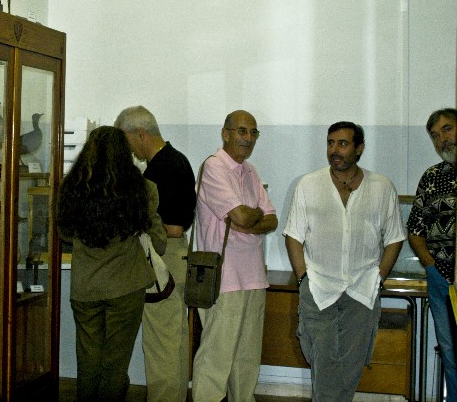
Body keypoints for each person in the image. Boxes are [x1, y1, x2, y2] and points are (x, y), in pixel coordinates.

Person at [284, 121, 406, 401]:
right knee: (321, 360)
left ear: (359, 148)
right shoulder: (309, 184)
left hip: (362, 291)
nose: (334, 150)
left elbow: (395, 237)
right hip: (318, 289)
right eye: (330, 143)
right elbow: (293, 235)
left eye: (342, 143)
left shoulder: (382, 186)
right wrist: (303, 278)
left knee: (350, 367)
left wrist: (379, 277)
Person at [56, 125, 167, 402]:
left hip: (85, 287)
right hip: (126, 287)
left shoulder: (70, 188)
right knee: (116, 361)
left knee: (88, 358)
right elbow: (159, 243)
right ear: (125, 153)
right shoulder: (143, 189)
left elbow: (64, 234)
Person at [191, 110, 277, 401]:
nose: (248, 138)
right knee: (216, 358)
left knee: (247, 360)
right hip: (223, 278)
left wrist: (249, 219)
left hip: (253, 277)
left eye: (253, 132)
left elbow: (272, 220)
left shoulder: (250, 170)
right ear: (225, 133)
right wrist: (252, 217)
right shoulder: (214, 167)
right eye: (242, 131)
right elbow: (241, 216)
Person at [114, 106, 197, 402]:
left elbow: (173, 227)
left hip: (164, 258)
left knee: (161, 342)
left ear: (140, 134)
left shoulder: (162, 168)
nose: (128, 149)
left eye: (126, 140)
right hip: (177, 258)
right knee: (173, 339)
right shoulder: (178, 161)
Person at [407, 108, 457, 401]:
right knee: (451, 353)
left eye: (447, 130)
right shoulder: (432, 177)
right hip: (443, 283)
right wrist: (431, 267)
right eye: (435, 136)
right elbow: (415, 230)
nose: (442, 140)